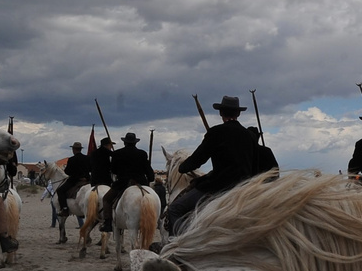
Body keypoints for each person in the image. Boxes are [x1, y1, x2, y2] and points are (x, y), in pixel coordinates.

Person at [162, 95, 258, 235]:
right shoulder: (250, 136)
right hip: (244, 190)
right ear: (238, 114)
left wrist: (183, 167)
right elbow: (255, 168)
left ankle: (177, 245)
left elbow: (198, 160)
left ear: (221, 113)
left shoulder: (216, 132)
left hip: (217, 187)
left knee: (174, 209)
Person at [99, 132, 156, 233]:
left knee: (107, 199)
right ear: (135, 143)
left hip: (122, 183)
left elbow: (114, 170)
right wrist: (149, 179)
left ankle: (107, 223)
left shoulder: (117, 154)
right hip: (141, 183)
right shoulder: (142, 153)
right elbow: (150, 173)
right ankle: (157, 219)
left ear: (124, 142)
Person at [55, 142, 89, 242]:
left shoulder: (72, 159)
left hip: (75, 180)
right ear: (81, 149)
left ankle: (64, 208)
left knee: (60, 190)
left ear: (74, 149)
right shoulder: (87, 158)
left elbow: (67, 172)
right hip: (87, 180)